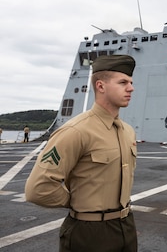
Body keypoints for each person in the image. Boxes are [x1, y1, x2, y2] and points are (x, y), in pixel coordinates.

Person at [25, 55, 138, 252]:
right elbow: (38, 188)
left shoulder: (127, 131)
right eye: (123, 82)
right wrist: (78, 201)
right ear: (101, 86)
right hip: (89, 232)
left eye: (130, 82)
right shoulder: (76, 131)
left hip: (126, 226)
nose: (131, 88)